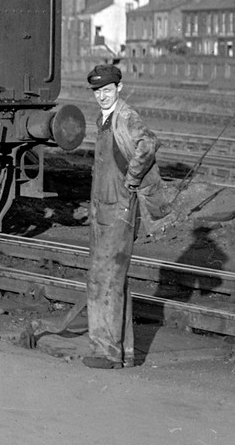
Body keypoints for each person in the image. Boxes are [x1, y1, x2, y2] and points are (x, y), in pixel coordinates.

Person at [83, 62, 167, 369]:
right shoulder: (103, 118)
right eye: (97, 91)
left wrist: (131, 178)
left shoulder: (126, 116)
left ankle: (107, 352)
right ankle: (125, 350)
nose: (102, 96)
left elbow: (148, 143)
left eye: (107, 90)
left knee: (105, 279)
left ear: (118, 88)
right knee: (111, 279)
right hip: (101, 207)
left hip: (117, 209)